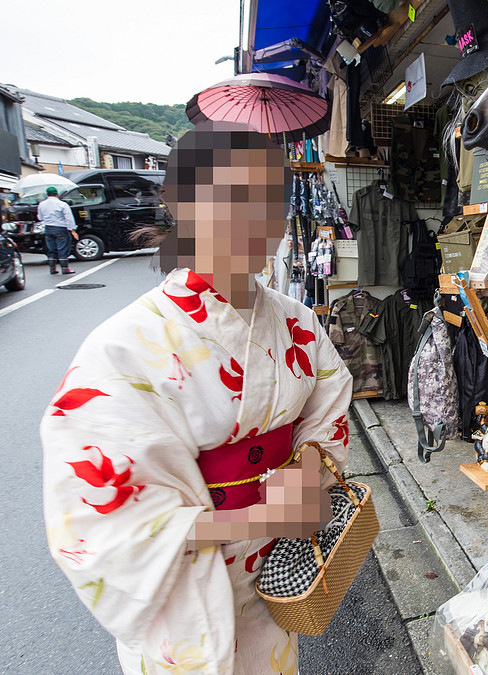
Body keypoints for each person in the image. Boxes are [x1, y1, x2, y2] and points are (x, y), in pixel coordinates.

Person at [40, 122, 353, 675]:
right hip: (189, 594)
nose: (253, 222)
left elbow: (326, 404)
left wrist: (307, 471)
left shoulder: (297, 322)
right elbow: (106, 519)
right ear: (180, 207)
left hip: (277, 580)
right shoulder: (122, 348)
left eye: (268, 201)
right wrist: (263, 517)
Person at [37, 185, 79, 274]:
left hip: (48, 227)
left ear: (47, 194)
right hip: (60, 227)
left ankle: (52, 268)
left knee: (51, 248)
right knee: (62, 248)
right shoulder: (62, 204)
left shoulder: (41, 204)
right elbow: (69, 218)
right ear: (57, 194)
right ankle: (65, 268)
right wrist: (72, 230)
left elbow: (40, 217)